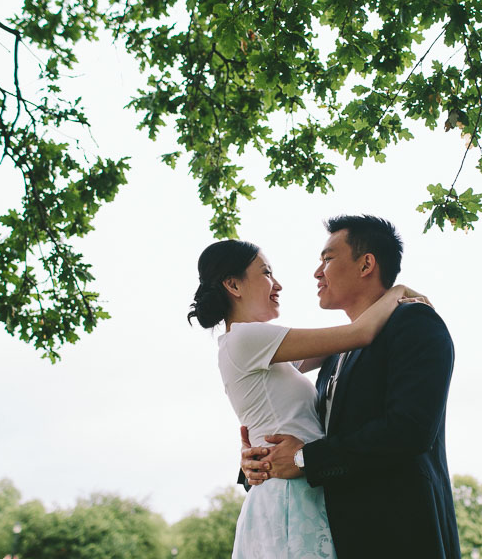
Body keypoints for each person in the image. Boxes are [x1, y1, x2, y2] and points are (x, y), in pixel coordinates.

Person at [188, 238, 426, 558]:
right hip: (290, 497)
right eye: (266, 273)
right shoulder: (247, 338)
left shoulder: (259, 349)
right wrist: (397, 293)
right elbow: (358, 334)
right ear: (234, 285)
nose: (278, 284)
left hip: (296, 489)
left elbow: (344, 344)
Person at [240, 215, 461, 558]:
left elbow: (410, 430)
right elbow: (308, 431)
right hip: (340, 538)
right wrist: (260, 461)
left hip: (400, 536)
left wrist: (303, 458)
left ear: (366, 264)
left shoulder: (415, 323)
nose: (317, 273)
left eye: (327, 259)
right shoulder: (334, 355)